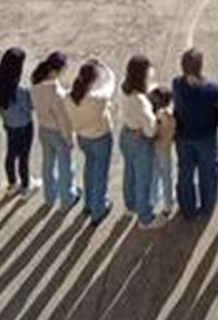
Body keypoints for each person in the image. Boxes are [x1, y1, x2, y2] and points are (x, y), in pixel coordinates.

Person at [172, 48, 218, 220]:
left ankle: (187, 208)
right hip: (205, 137)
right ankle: (207, 206)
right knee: (208, 173)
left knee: (185, 172)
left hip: (183, 137)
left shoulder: (177, 84)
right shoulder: (212, 90)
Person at [68, 58, 116, 223]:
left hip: (83, 138)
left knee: (89, 168)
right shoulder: (98, 98)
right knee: (100, 173)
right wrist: (104, 66)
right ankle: (98, 209)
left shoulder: (69, 97)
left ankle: (88, 203)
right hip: (101, 138)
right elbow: (111, 82)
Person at [30, 52, 78, 210]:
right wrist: (69, 139)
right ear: (57, 71)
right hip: (57, 133)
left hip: (43, 129)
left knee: (48, 164)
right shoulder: (56, 94)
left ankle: (49, 197)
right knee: (66, 167)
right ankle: (67, 198)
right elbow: (62, 121)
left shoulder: (36, 84)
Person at [117, 55, 159, 229]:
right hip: (139, 140)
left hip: (126, 134)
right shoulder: (141, 101)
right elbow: (151, 130)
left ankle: (130, 206)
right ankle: (145, 218)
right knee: (144, 179)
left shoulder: (123, 87)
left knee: (130, 172)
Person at [0, 47, 36, 196]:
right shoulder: (20, 90)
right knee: (24, 157)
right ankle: (25, 185)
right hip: (24, 126)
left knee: (11, 155)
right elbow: (30, 107)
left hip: (9, 125)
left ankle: (12, 183)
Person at [150, 87, 177, 219]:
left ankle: (154, 200)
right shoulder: (170, 115)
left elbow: (153, 132)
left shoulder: (158, 116)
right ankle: (168, 203)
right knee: (167, 176)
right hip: (165, 148)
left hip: (155, 148)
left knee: (155, 175)